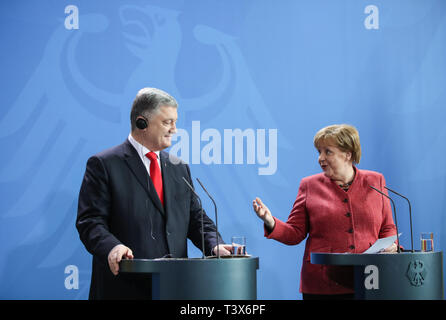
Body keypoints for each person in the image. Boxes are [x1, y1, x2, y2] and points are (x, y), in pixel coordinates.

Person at [77, 87, 232, 299]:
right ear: (142, 122)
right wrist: (113, 247)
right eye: (167, 122)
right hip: (124, 288)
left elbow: (196, 219)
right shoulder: (104, 165)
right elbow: (90, 222)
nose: (174, 129)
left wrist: (215, 245)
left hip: (173, 288)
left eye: (175, 122)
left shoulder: (179, 167)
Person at [252, 124, 398, 300]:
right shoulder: (309, 185)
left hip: (370, 280)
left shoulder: (376, 181)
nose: (320, 158)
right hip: (322, 285)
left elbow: (387, 227)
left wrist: (392, 245)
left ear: (348, 154)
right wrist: (270, 221)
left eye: (327, 152)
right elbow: (295, 233)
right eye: (319, 152)